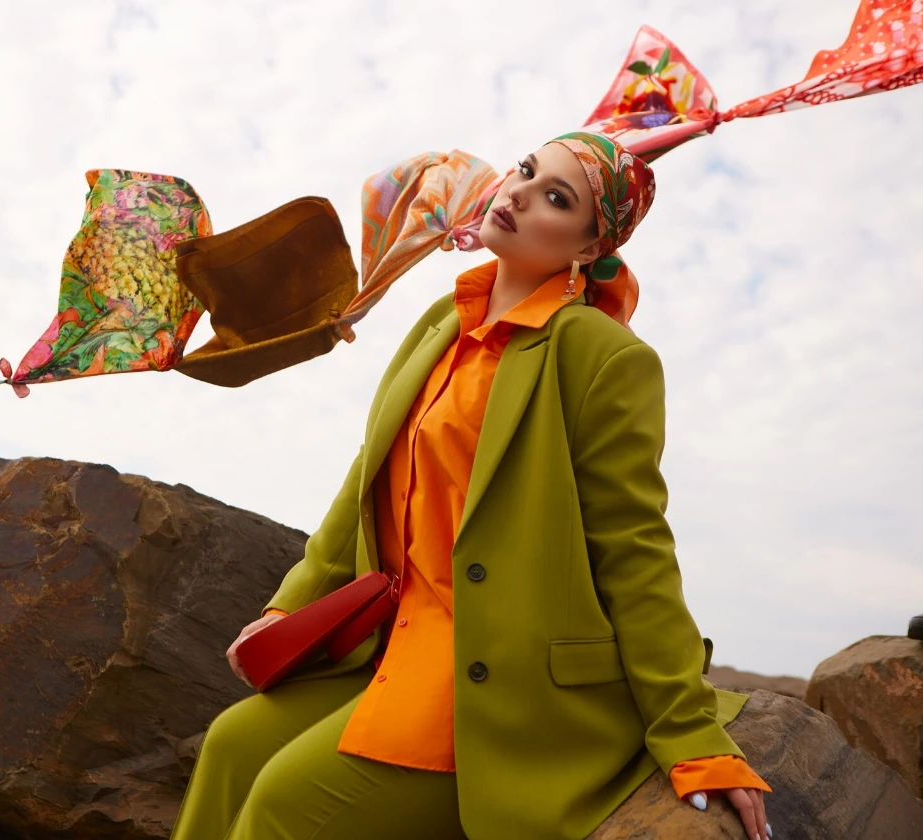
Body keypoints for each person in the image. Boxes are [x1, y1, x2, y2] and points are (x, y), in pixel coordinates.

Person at [170, 132, 773, 840]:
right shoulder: (442, 320)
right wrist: (290, 606)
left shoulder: (603, 356)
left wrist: (691, 734)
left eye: (556, 198)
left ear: (589, 247)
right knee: (231, 746)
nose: (518, 194)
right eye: (526, 171)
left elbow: (633, 548)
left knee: (284, 802)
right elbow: (369, 472)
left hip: (495, 674)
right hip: (391, 644)